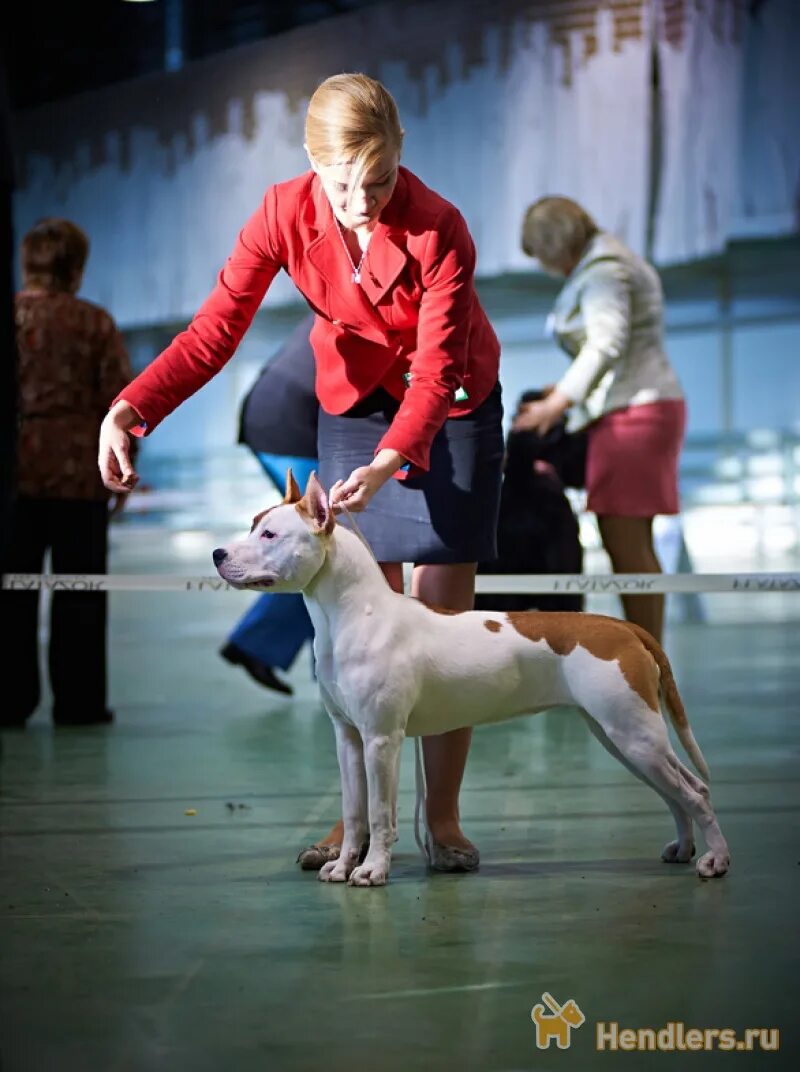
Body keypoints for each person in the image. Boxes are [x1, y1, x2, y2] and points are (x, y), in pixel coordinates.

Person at [98, 73, 504, 872]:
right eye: (344, 182)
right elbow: (214, 332)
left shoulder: (440, 227)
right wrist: (130, 409)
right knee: (358, 637)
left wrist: (394, 461)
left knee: (442, 631)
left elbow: (431, 375)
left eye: (380, 178)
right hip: (352, 405)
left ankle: (444, 820)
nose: (363, 201)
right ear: (312, 164)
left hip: (451, 406)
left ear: (400, 158)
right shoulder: (281, 213)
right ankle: (355, 825)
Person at [516, 196, 686, 644]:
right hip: (636, 408)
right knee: (630, 543)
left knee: (626, 543)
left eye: (540, 252)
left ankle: (647, 655)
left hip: (633, 415)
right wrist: (565, 389)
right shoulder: (611, 263)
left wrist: (559, 404)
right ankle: (648, 649)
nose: (543, 265)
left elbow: (606, 345)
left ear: (554, 244)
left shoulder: (605, 272)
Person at [1, 218, 133, 727]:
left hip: (15, 473)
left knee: (10, 593)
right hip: (83, 472)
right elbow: (120, 399)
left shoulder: (8, 318)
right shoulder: (94, 322)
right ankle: (80, 704)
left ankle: (9, 700)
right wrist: (124, 469)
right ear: (76, 269)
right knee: (81, 592)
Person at [220, 314, 318, 695]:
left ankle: (263, 645)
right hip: (289, 423)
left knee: (325, 541)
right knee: (324, 541)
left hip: (274, 412)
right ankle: (255, 643)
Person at [475, 388, 585, 614]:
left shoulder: (518, 437)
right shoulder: (559, 440)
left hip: (513, 518)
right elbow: (578, 475)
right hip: (535, 520)